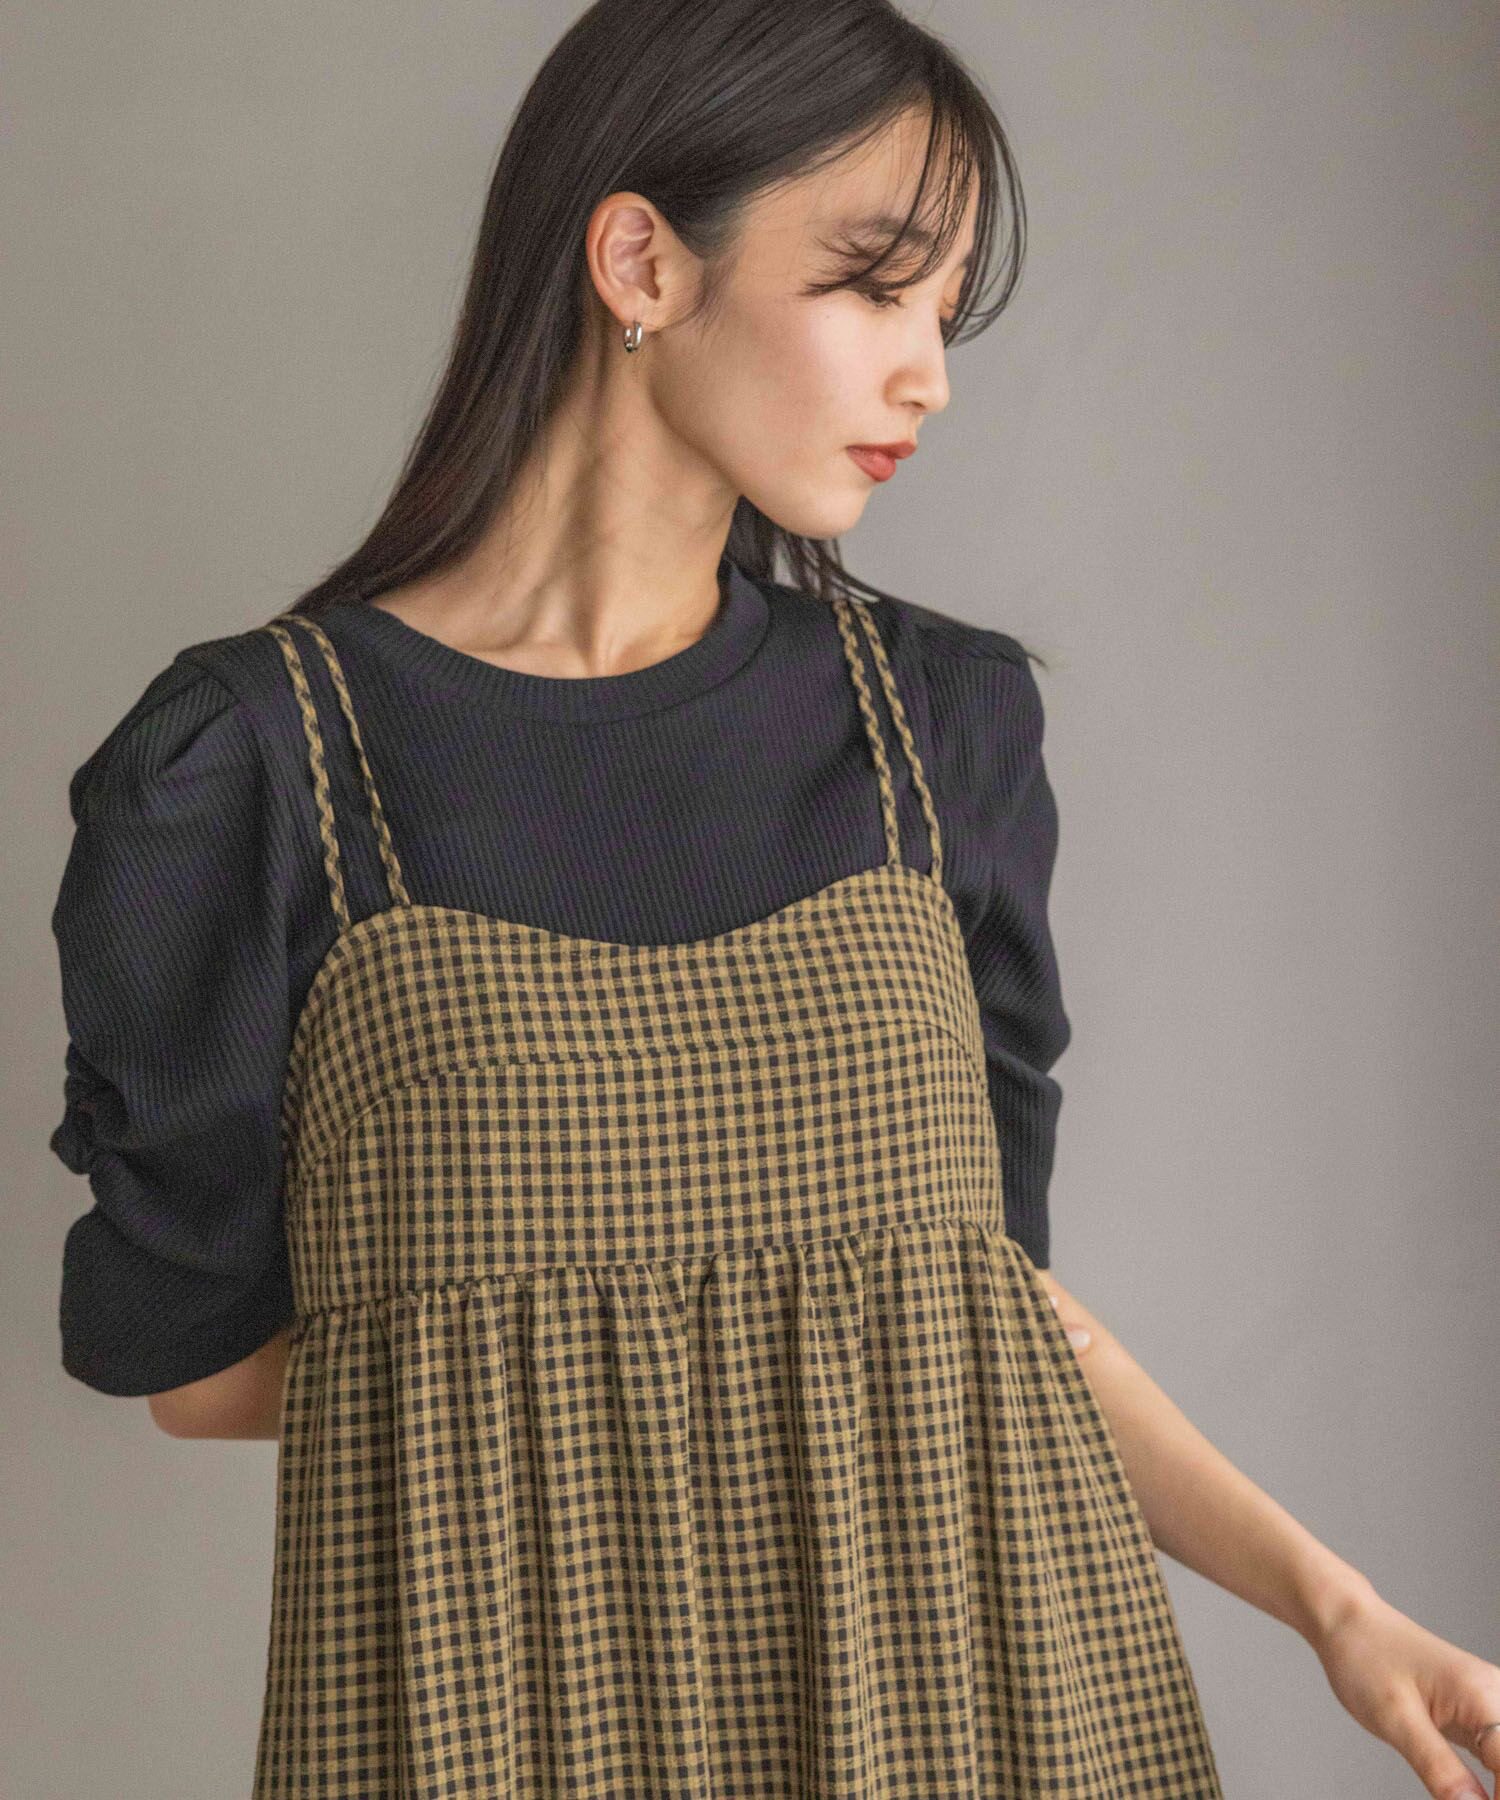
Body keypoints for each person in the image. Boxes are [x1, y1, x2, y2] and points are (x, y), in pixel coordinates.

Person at [47, 1, 1500, 1794]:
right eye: (875, 289)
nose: (930, 376)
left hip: (973, 1710)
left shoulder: (937, 726)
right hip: (521, 1723)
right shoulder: (254, 766)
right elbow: (191, 1369)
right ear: (643, 263)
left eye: (946, 313)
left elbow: (981, 1312)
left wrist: (1342, 1613)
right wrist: (592, 1343)